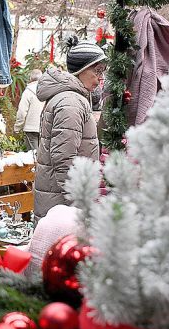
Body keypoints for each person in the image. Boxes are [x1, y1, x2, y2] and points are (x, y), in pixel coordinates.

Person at [33, 40, 103, 222]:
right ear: (82, 69)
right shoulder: (70, 102)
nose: (99, 78)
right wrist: (80, 202)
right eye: (97, 71)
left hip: (58, 204)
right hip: (62, 210)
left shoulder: (72, 98)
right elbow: (64, 159)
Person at [14, 69, 45, 151]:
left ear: (30, 78)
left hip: (31, 128)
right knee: (43, 154)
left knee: (33, 155)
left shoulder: (28, 92)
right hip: (45, 127)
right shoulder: (47, 91)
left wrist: (17, 127)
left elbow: (22, 112)